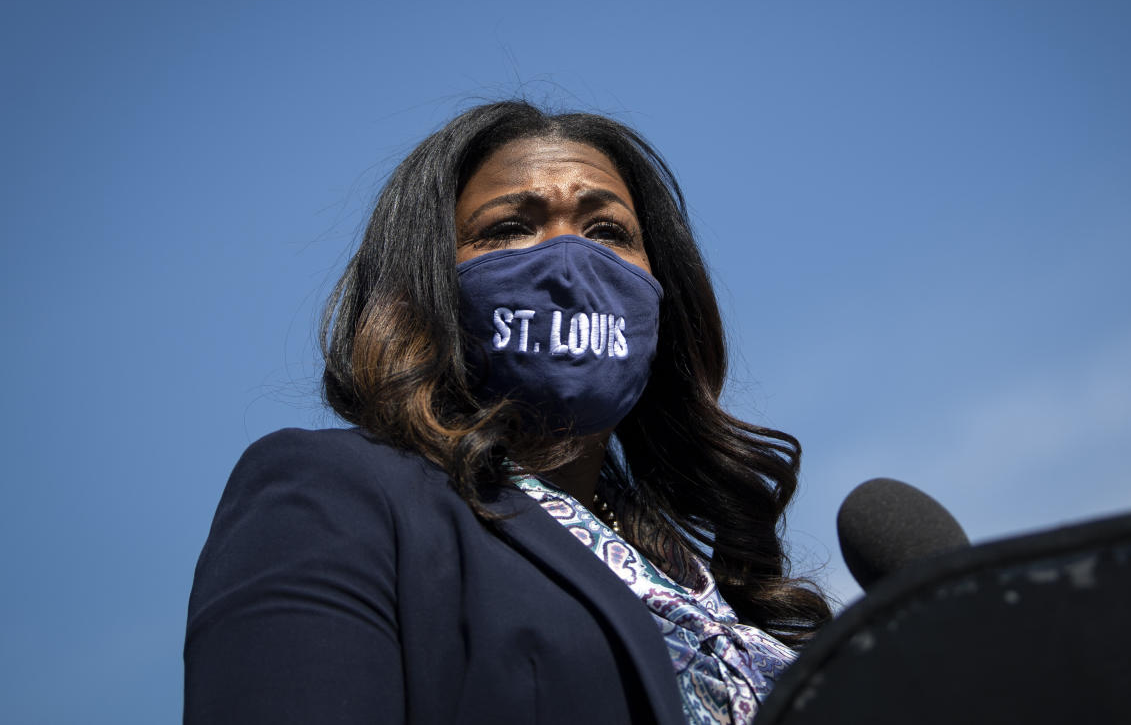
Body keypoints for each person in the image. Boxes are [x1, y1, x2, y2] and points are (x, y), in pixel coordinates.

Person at [184, 101, 831, 724]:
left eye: (606, 231)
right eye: (509, 228)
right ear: (425, 287)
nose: (570, 267)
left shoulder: (709, 585)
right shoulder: (339, 496)